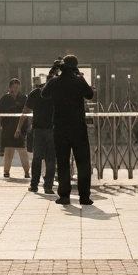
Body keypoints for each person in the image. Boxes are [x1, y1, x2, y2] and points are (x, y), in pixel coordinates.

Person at [43, 55, 94, 206]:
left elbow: (44, 94)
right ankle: (84, 197)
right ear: (75, 66)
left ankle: (64, 196)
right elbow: (90, 95)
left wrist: (52, 74)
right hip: (78, 127)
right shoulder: (79, 81)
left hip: (60, 127)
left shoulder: (55, 81)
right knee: (83, 163)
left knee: (63, 162)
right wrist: (79, 75)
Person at [25, 74, 57, 194]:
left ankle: (34, 185)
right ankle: (48, 186)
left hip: (38, 128)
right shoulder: (57, 93)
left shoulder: (35, 92)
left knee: (37, 158)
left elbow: (26, 109)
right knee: (51, 159)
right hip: (53, 129)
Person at [0, 78, 30, 178]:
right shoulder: (4, 98)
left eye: (18, 86)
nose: (16, 88)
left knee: (22, 149)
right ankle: (6, 171)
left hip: (20, 126)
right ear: (10, 87)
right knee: (8, 150)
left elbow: (27, 111)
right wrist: (0, 124)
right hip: (8, 127)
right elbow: (0, 112)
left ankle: (27, 172)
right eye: (14, 87)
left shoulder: (23, 98)